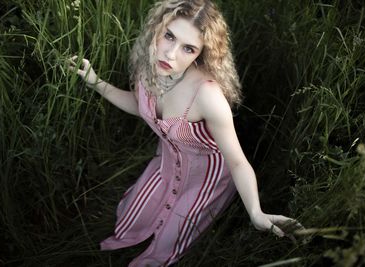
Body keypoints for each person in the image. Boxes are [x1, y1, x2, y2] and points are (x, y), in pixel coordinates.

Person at [68, 0, 302, 266]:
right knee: (130, 218)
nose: (170, 54)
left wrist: (256, 212)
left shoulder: (207, 96)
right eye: (169, 36)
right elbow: (139, 104)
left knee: (168, 244)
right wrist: (96, 82)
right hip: (167, 163)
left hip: (207, 178)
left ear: (199, 55)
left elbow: (237, 161)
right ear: (158, 28)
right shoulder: (151, 65)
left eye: (188, 48)